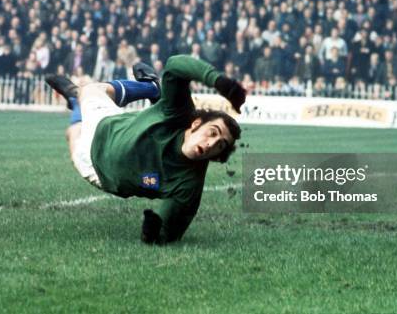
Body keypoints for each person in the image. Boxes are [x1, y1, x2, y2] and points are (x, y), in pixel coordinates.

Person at [45, 56, 246, 245]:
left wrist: (151, 234)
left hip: (97, 169)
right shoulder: (179, 114)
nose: (211, 144)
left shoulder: (188, 185)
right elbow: (175, 65)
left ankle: (74, 101)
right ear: (196, 124)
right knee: (90, 90)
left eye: (220, 146)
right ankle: (148, 87)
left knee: (73, 133)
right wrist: (218, 80)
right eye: (212, 132)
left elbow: (169, 232)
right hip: (109, 124)